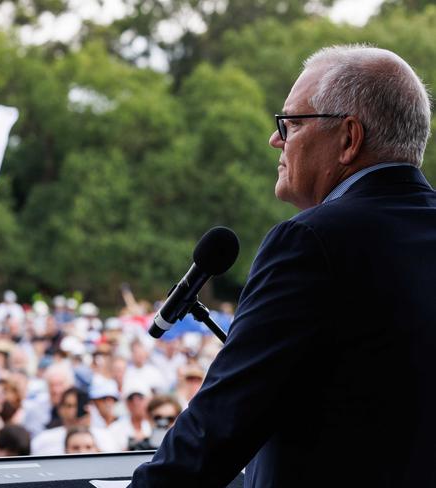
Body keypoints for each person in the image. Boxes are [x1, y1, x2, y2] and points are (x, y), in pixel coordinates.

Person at [129, 45, 434, 487]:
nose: (277, 139)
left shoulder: (312, 242)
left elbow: (218, 428)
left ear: (349, 138)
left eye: (291, 123)